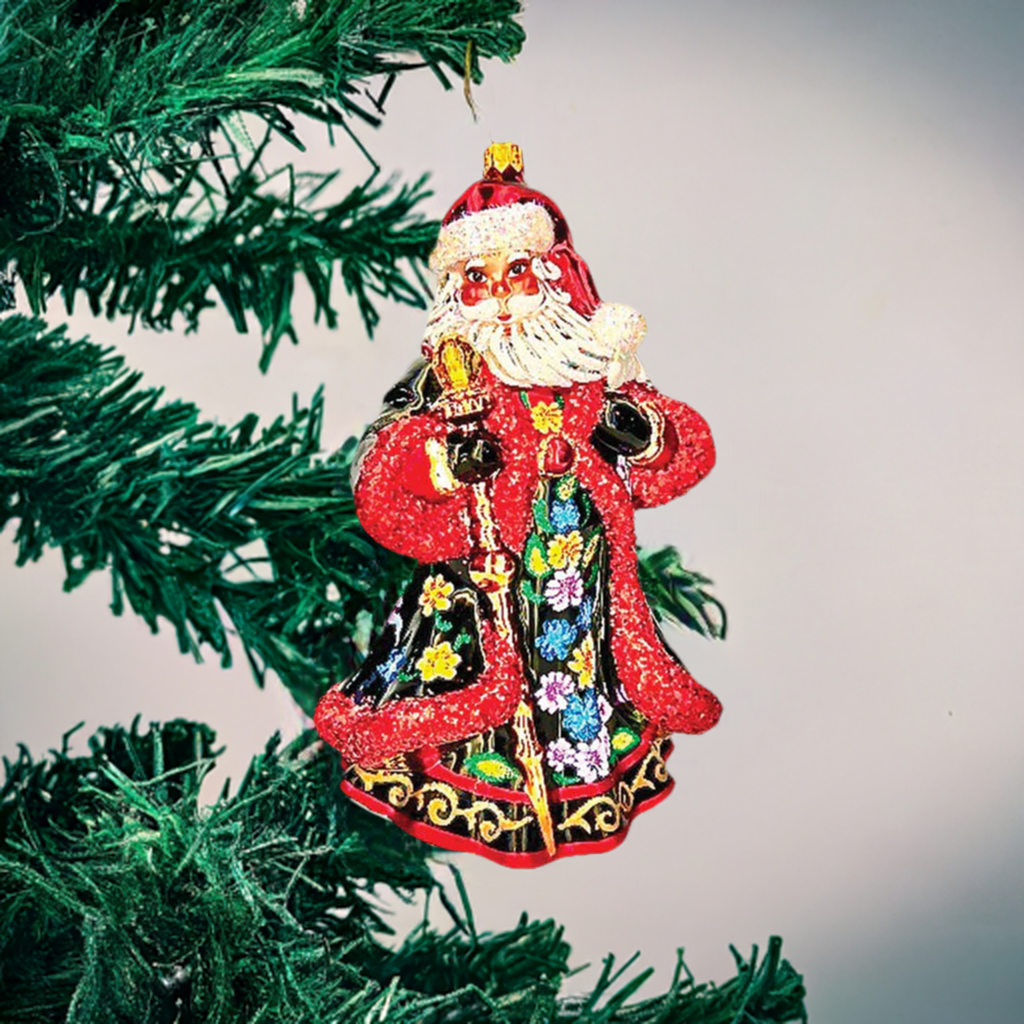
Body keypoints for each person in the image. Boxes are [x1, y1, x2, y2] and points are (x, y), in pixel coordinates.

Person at [315, 143, 721, 867]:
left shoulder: (589, 367)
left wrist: (642, 434)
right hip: (478, 585)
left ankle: (578, 782)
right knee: (471, 684)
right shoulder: (446, 379)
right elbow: (380, 462)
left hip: (581, 585)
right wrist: (441, 465)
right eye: (477, 279)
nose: (500, 295)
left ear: (549, 276)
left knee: (575, 683)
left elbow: (679, 450)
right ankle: (470, 777)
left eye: (515, 273)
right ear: (455, 292)